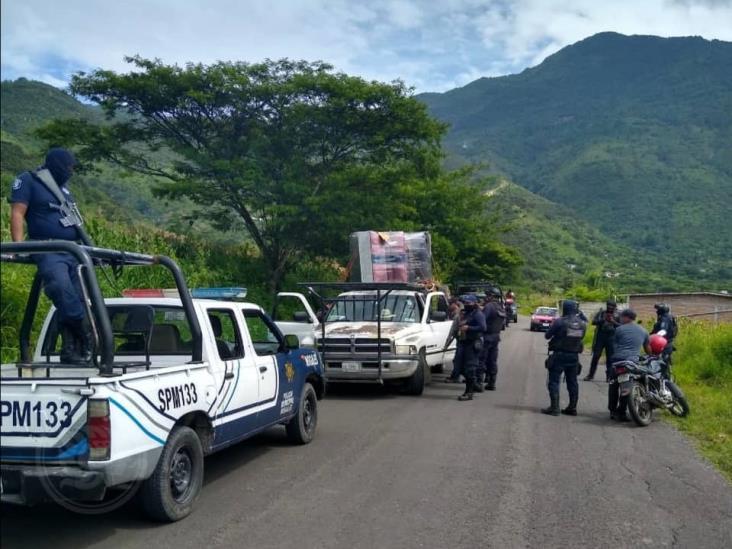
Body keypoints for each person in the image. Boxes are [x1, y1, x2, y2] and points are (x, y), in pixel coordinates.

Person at [9, 148, 92, 364]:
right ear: (57, 164)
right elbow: (17, 212)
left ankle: (71, 351)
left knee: (81, 300)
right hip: (47, 248)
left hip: (73, 251)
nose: (70, 171)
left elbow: (75, 222)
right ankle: (87, 338)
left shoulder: (63, 190)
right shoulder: (29, 180)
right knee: (63, 292)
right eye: (68, 167)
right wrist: (17, 247)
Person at [542, 299, 586, 416]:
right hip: (574, 357)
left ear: (564, 308)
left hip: (559, 356)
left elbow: (547, 336)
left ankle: (555, 408)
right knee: (572, 382)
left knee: (554, 381)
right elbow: (580, 338)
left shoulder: (559, 322)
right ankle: (572, 408)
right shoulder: (582, 324)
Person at [608, 309, 652, 421]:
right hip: (632, 363)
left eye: (622, 317)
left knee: (614, 385)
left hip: (618, 362)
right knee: (629, 384)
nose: (620, 319)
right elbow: (648, 349)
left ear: (626, 317)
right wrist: (650, 356)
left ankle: (613, 411)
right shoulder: (644, 331)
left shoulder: (618, 329)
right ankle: (622, 411)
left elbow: (614, 346)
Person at [454, 295, 486, 401]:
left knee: (470, 368)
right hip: (465, 342)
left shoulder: (478, 314)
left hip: (473, 343)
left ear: (474, 303)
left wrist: (469, 327)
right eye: (465, 303)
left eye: (469, 303)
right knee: (462, 367)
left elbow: (483, 327)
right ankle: (474, 386)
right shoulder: (468, 313)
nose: (466, 305)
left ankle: (469, 393)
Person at [584, 300, 620, 381]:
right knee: (596, 356)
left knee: (610, 358)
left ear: (615, 307)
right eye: (608, 305)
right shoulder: (601, 313)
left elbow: (621, 326)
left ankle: (609, 376)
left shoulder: (618, 315)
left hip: (611, 337)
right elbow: (593, 322)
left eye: (612, 306)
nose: (610, 307)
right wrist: (602, 320)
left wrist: (613, 321)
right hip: (601, 337)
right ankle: (590, 375)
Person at [479, 287, 505, 391]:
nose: (486, 297)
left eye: (488, 295)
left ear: (492, 296)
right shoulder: (501, 307)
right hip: (496, 337)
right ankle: (491, 382)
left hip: (487, 337)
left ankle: (479, 383)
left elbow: (482, 321)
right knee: (492, 361)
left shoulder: (489, 306)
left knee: (481, 360)